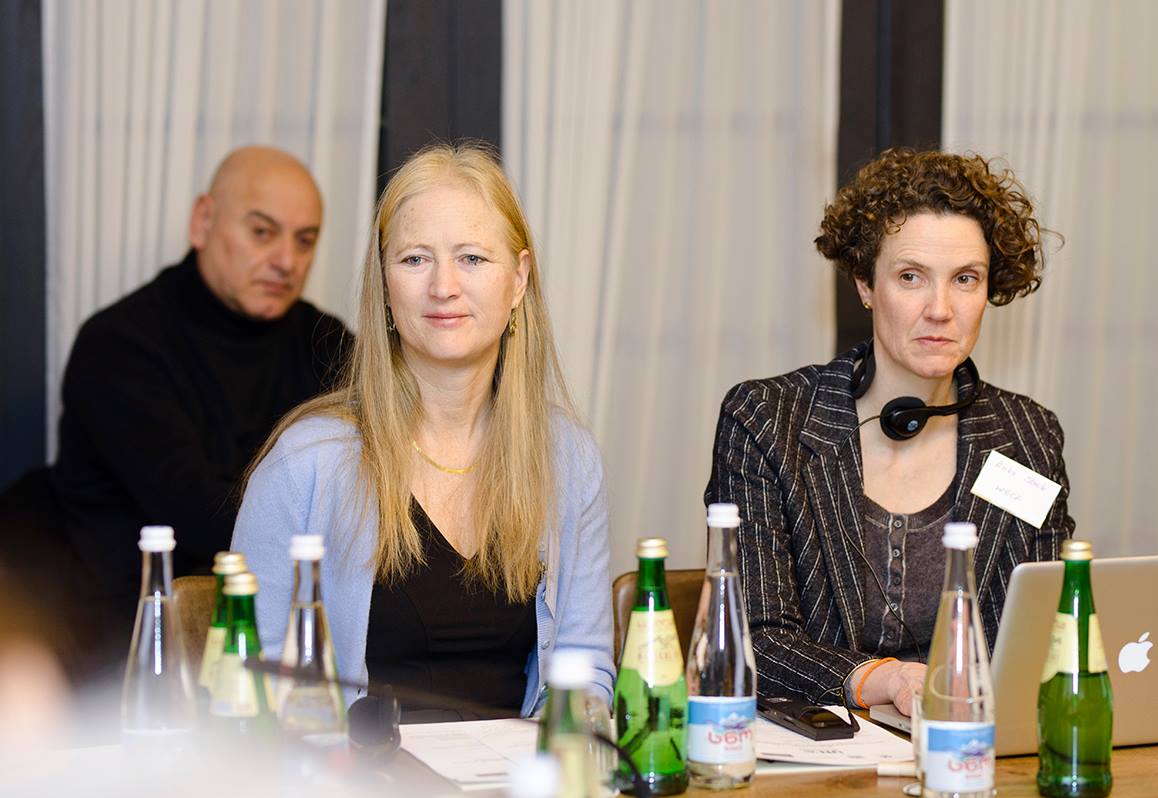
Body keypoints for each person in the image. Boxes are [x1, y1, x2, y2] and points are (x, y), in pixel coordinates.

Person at [231, 143, 614, 719]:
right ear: (384, 286)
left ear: (518, 280)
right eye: (414, 260)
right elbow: (250, 683)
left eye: (472, 258)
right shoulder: (305, 462)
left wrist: (564, 745)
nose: (443, 286)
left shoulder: (569, 459)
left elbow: (586, 666)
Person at [704, 148, 1075, 716]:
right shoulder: (768, 421)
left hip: (973, 737)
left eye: (965, 279)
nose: (940, 309)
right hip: (819, 740)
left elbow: (1046, 631)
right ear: (865, 284)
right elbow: (753, 634)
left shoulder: (1028, 437)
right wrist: (882, 678)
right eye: (910, 277)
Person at [52, 146, 351, 676]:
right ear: (203, 222)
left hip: (289, 640)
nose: (286, 260)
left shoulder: (326, 345)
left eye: (305, 240)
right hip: (134, 655)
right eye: (262, 232)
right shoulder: (120, 347)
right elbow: (203, 518)